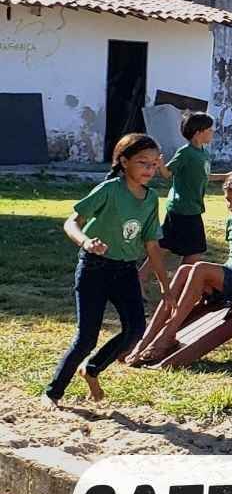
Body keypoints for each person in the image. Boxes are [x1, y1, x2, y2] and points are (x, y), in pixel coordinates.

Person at [41, 134, 174, 407]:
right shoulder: (109, 190)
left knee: (135, 329)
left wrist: (165, 286)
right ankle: (53, 393)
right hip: (94, 269)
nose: (149, 169)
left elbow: (152, 244)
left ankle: (92, 369)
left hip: (125, 271)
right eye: (142, 163)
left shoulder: (151, 199)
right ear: (124, 162)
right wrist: (86, 242)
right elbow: (72, 222)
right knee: (86, 338)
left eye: (153, 164)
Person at [125, 170, 232, 365]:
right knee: (184, 271)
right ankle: (145, 341)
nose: (230, 206)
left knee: (199, 268)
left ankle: (166, 336)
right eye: (228, 201)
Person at [138, 111, 230, 287]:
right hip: (183, 209)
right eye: (210, 130)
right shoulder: (185, 153)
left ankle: (141, 277)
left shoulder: (203, 152)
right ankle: (180, 285)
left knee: (166, 245)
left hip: (189, 208)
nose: (213, 133)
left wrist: (225, 176)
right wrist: (161, 165)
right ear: (198, 132)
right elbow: (167, 174)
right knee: (195, 250)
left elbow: (203, 175)